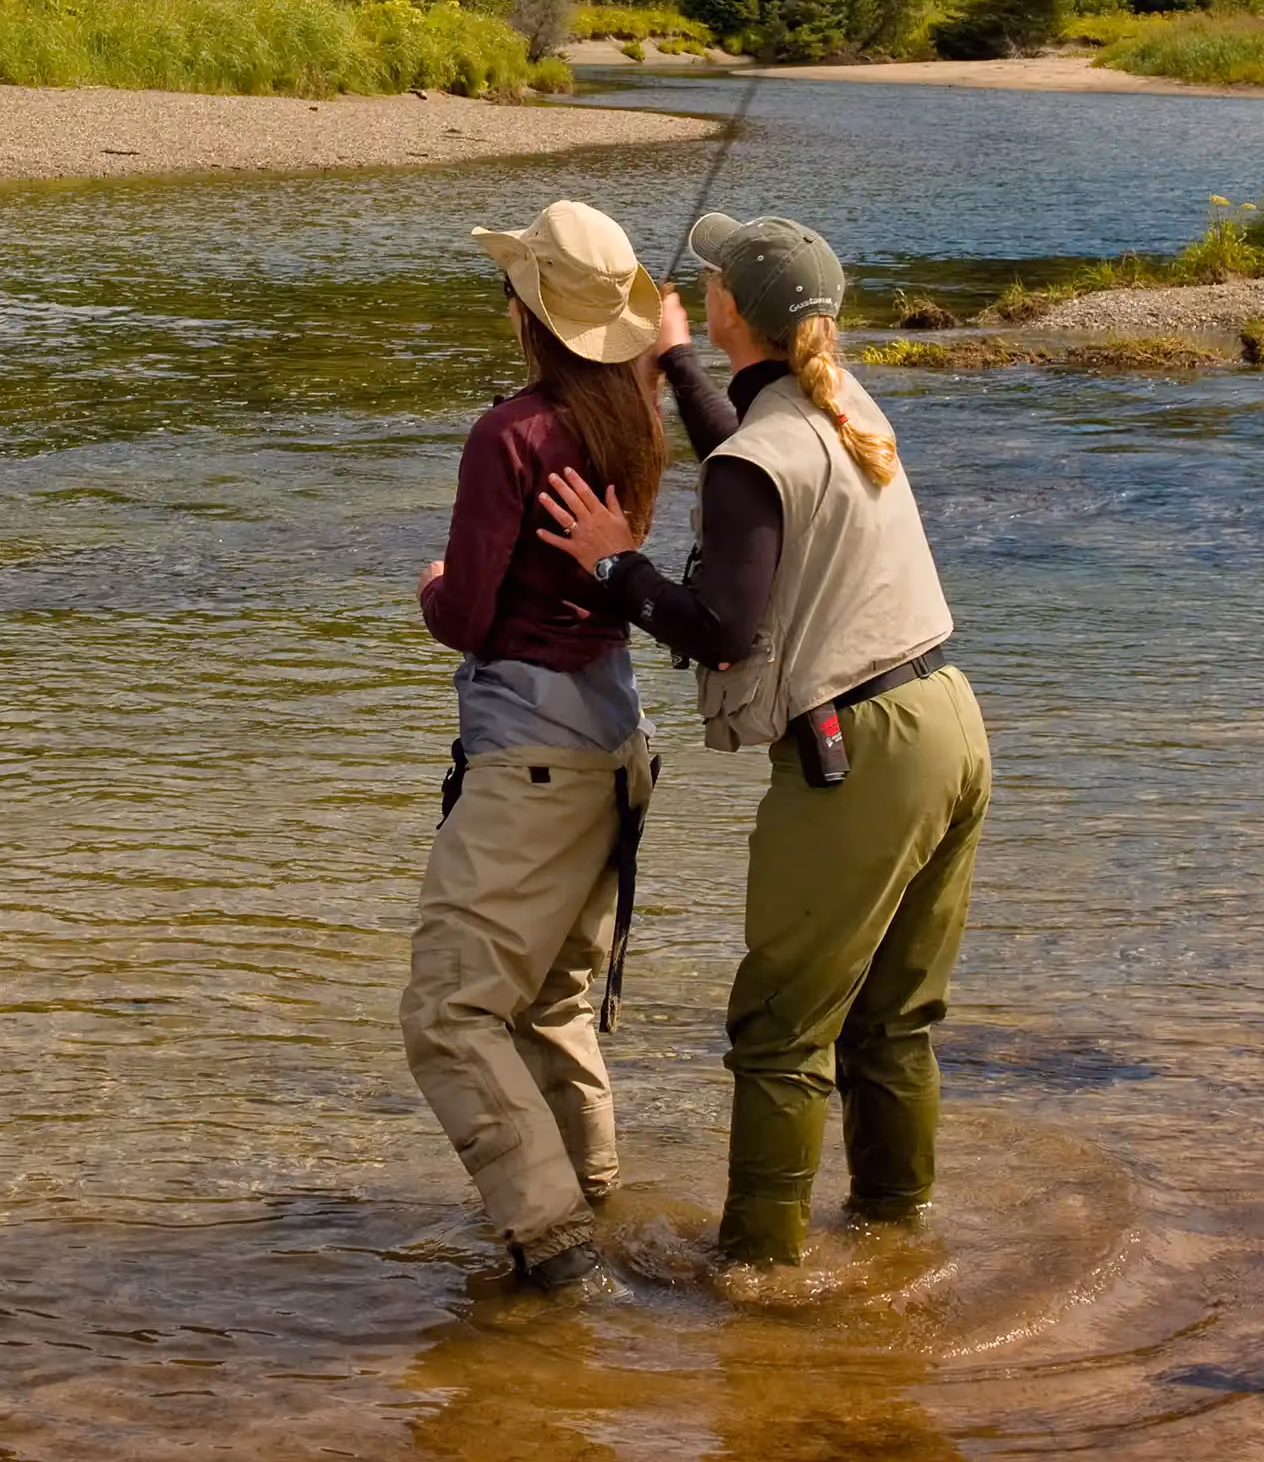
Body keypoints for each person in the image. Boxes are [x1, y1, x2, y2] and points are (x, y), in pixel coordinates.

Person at [538, 211, 990, 1268]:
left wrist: (617, 563)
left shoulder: (761, 453)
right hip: (952, 724)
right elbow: (748, 461)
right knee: (894, 1021)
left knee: (781, 1033)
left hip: (862, 753)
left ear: (734, 306)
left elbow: (725, 630)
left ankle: (757, 1274)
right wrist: (678, 359)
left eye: (714, 284)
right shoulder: (843, 403)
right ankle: (896, 1239)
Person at [401, 199, 665, 1292]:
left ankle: (558, 1253)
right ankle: (593, 1202)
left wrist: (427, 590)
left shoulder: (509, 433)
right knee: (554, 1002)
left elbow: (466, 615)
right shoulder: (639, 419)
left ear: (527, 314)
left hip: (533, 757)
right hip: (618, 747)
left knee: (449, 1014)